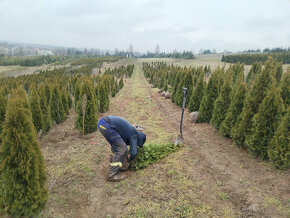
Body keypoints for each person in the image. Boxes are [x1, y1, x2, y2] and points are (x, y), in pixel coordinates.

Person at [98, 115, 146, 182]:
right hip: (107, 125)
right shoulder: (134, 135)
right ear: (139, 140)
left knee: (118, 146)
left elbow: (121, 143)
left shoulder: (129, 131)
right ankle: (111, 176)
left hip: (103, 123)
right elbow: (133, 153)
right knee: (122, 149)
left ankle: (112, 163)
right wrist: (129, 161)